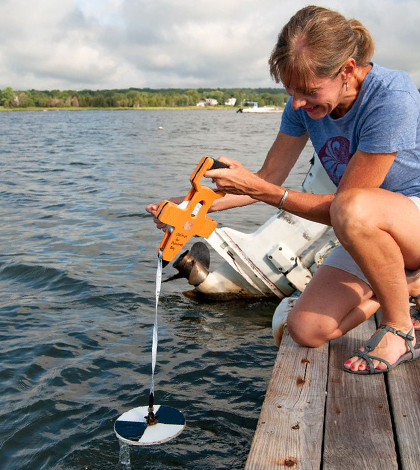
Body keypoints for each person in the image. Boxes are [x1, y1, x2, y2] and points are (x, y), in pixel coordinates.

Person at [146, 5, 420, 375]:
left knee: (352, 208)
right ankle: (407, 280)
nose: (299, 104)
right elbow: (270, 175)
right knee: (307, 329)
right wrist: (192, 207)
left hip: (408, 216)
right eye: (291, 92)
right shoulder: (301, 104)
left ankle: (400, 327)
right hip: (365, 228)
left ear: (348, 70)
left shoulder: (391, 96)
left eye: (308, 91)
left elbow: (342, 207)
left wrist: (262, 190)